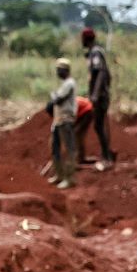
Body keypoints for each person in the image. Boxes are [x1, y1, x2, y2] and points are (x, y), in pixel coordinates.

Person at [79, 26, 115, 169]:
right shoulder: (94, 53)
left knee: (99, 125)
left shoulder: (95, 53)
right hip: (101, 95)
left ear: (86, 39)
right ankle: (106, 154)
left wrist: (95, 94)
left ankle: (107, 157)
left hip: (100, 96)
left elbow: (100, 73)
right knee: (99, 125)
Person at [47, 57, 79, 188]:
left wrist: (53, 97)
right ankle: (59, 174)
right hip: (58, 120)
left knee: (68, 149)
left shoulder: (69, 84)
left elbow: (57, 99)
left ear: (65, 70)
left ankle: (69, 178)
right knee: (55, 148)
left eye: (59, 70)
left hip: (66, 119)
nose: (57, 72)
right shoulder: (65, 84)